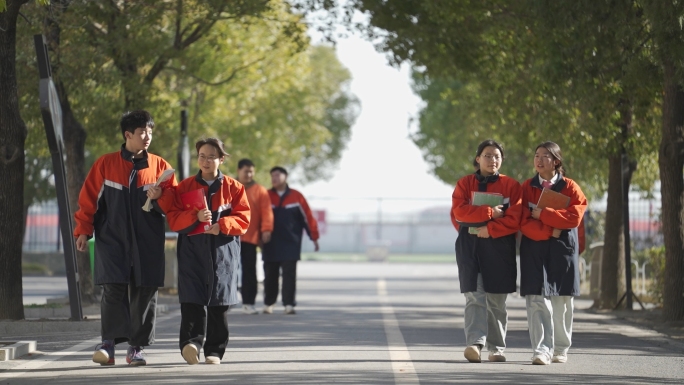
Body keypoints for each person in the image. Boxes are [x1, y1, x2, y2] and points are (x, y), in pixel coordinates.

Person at [74, 110, 176, 366]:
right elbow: (89, 201)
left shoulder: (160, 166)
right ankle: (108, 344)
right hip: (112, 237)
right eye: (142, 132)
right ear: (127, 134)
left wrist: (159, 196)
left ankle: (136, 348)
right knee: (113, 288)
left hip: (148, 240)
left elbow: (173, 204)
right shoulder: (105, 164)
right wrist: (83, 230)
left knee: (144, 291)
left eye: (150, 132)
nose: (147, 137)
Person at [162, 137, 250, 365]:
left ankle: (214, 351)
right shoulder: (185, 187)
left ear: (221, 159)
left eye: (211, 157)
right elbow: (173, 218)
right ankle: (191, 344)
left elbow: (243, 218)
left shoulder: (234, 188)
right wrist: (196, 217)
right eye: (202, 156)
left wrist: (221, 226)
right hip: (192, 252)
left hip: (223, 252)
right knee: (191, 300)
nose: (206, 160)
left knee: (218, 303)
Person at [450, 139, 522, 363]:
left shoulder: (511, 186)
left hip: (499, 246)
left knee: (497, 300)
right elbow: (460, 214)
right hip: (469, 247)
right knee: (474, 296)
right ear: (478, 158)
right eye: (488, 155)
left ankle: (497, 348)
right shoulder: (464, 184)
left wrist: (488, 229)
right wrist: (491, 212)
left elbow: (514, 218)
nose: (493, 160)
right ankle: (475, 343)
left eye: (497, 156)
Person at [519, 141, 587, 365]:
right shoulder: (526, 188)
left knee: (563, 301)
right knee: (536, 299)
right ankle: (541, 350)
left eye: (544, 156)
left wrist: (543, 214)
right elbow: (523, 220)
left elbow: (574, 218)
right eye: (536, 155)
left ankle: (560, 348)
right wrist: (552, 228)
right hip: (534, 249)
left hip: (563, 249)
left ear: (556, 161)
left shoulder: (571, 187)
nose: (538, 160)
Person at [261, 166, 319, 315]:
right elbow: (258, 218)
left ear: (285, 177)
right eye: (272, 176)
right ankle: (269, 303)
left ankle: (289, 304)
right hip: (270, 243)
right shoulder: (266, 196)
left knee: (289, 275)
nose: (274, 178)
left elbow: (308, 217)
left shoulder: (296, 196)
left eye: (277, 175)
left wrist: (314, 237)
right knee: (270, 275)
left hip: (291, 243)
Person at [236, 158, 274, 315]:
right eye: (246, 171)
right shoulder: (230, 187)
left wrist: (266, 229)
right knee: (226, 270)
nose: (249, 174)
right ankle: (224, 301)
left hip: (250, 238)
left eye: (251, 171)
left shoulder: (260, 191)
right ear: (239, 171)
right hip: (228, 236)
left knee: (249, 271)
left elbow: (267, 212)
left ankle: (248, 302)